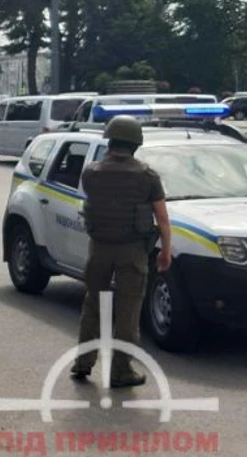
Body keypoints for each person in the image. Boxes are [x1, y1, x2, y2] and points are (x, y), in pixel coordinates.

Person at [71, 115, 172, 388]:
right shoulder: (148, 176)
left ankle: (83, 362)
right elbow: (162, 218)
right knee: (128, 310)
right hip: (132, 251)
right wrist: (166, 252)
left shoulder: (91, 172)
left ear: (110, 141)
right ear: (136, 144)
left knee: (94, 303)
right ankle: (121, 370)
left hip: (99, 249)